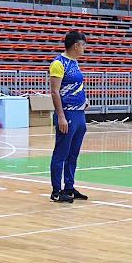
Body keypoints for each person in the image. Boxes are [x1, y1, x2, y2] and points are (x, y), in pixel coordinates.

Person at [49, 30, 89, 203]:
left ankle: (69, 187)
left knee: (73, 154)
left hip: (79, 114)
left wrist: (84, 101)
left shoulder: (75, 62)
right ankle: (56, 191)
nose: (85, 48)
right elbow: (55, 92)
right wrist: (61, 116)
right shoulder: (58, 64)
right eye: (83, 45)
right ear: (76, 45)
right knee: (61, 153)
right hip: (67, 114)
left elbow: (75, 86)